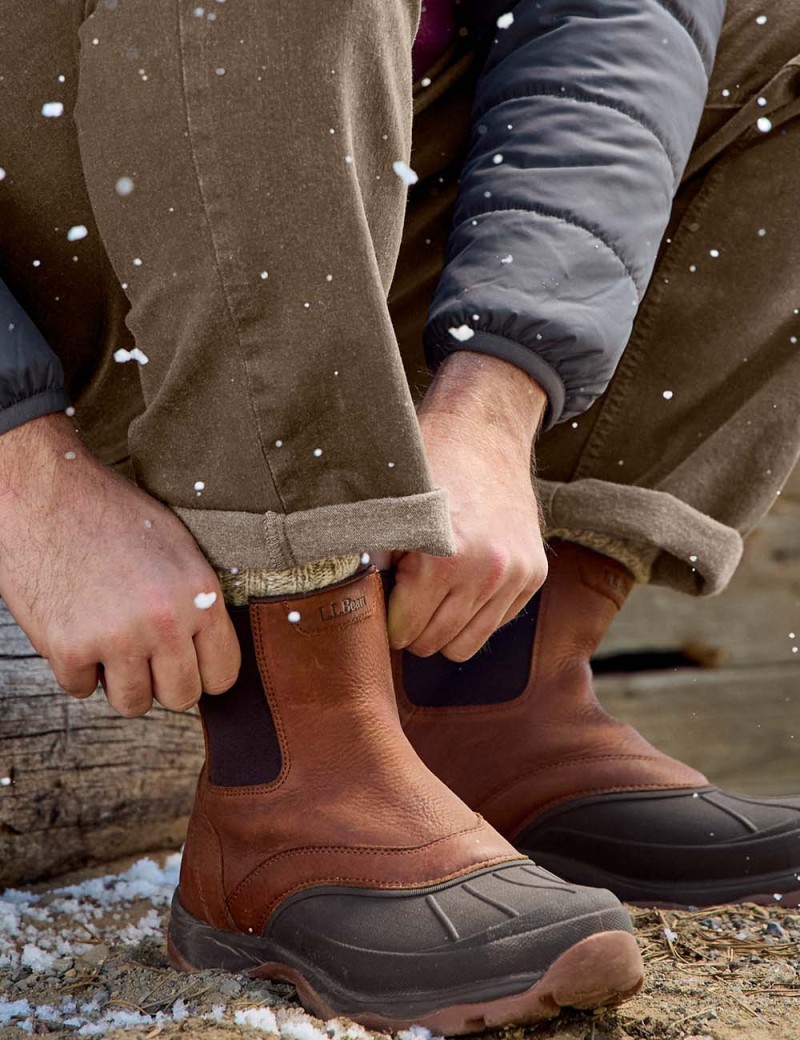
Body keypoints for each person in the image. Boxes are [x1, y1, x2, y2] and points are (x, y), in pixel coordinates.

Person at [0, 0, 797, 1031]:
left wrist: (499, 385)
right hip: (67, 216)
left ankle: (482, 704)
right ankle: (290, 778)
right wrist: (26, 472)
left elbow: (613, 18)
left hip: (337, 173)